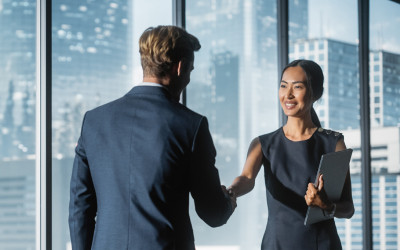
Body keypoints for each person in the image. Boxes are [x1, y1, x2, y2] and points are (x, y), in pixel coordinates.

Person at [69, 25, 236, 250]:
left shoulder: (94, 121)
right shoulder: (191, 126)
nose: (188, 79)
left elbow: (80, 208)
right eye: (190, 70)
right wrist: (228, 201)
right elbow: (212, 213)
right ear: (180, 67)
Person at [228, 59, 354, 249]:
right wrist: (231, 191)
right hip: (276, 244)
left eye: (297, 87)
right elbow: (246, 178)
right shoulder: (263, 144)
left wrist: (327, 205)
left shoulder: (334, 143)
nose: (288, 95)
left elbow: (348, 209)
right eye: (283, 86)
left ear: (315, 93)